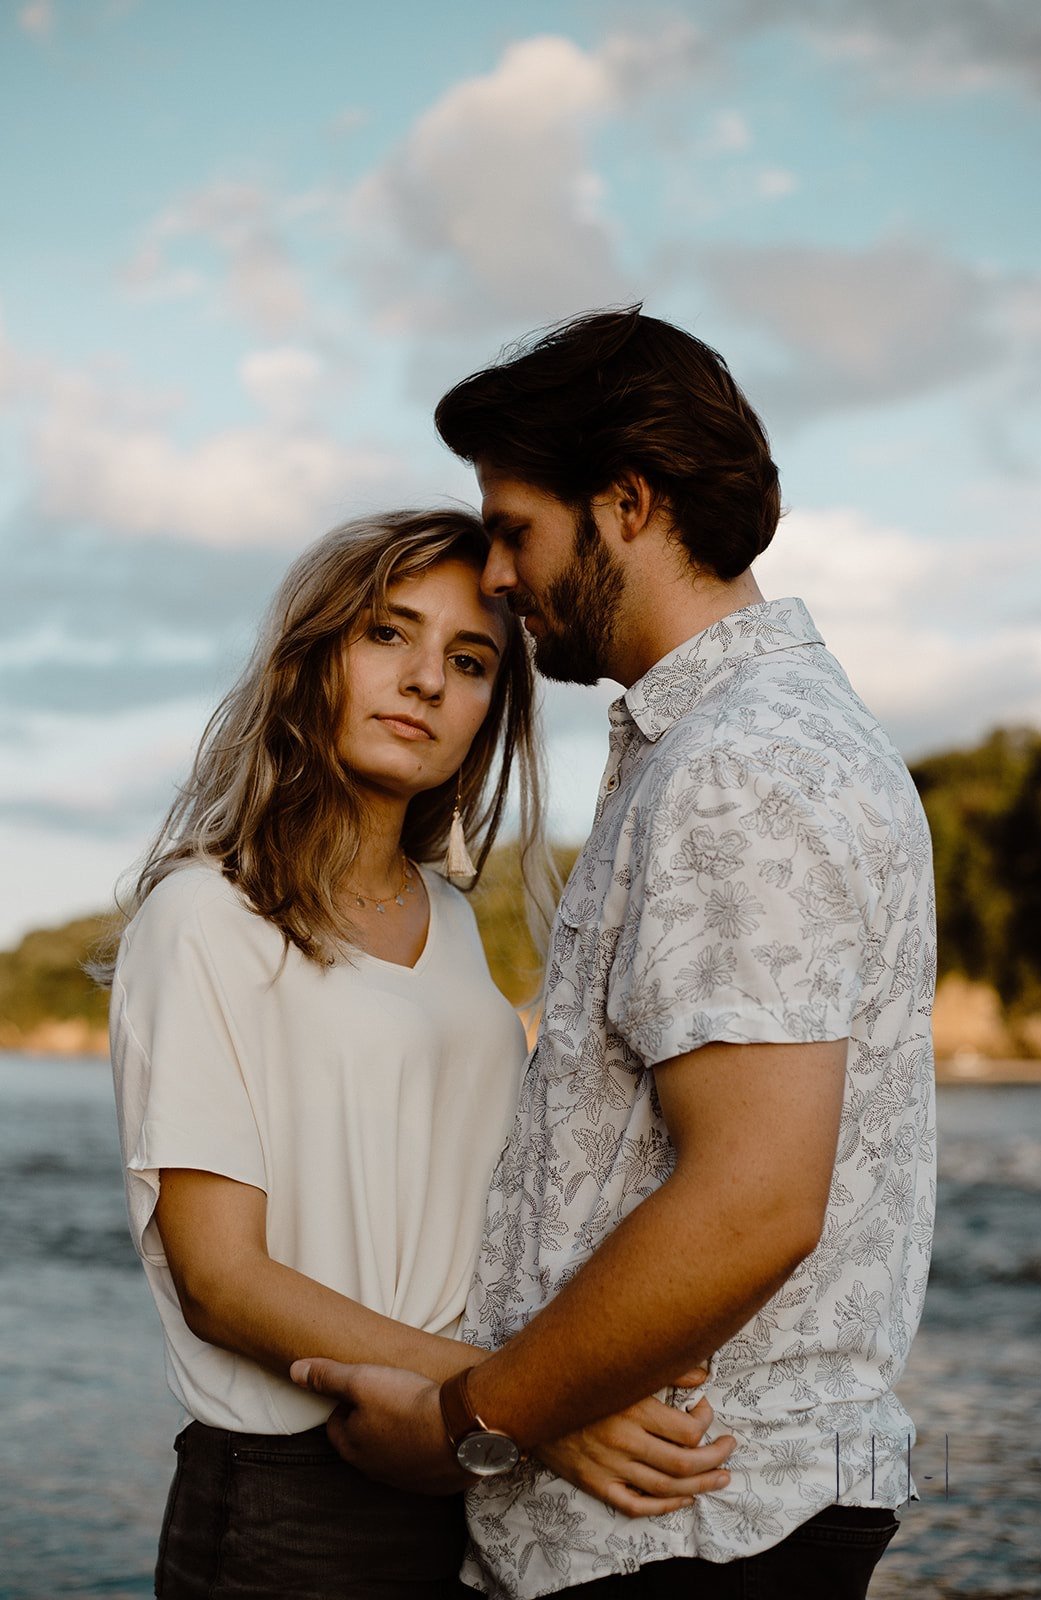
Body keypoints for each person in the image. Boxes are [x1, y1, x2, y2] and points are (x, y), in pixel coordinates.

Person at [293, 310, 937, 1600]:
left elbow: (753, 1199)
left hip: (682, 1534)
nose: (496, 575)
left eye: (517, 529)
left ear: (626, 504)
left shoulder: (740, 766)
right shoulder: (734, 741)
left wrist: (470, 1419)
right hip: (676, 1524)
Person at [104, 508, 735, 1600]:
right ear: (314, 657)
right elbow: (222, 1279)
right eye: (387, 634)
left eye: (470, 658)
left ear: (492, 707)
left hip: (456, 1481)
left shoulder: (449, 921)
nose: (426, 681)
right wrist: (536, 1406)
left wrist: (607, 1345)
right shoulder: (204, 914)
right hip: (288, 1506)